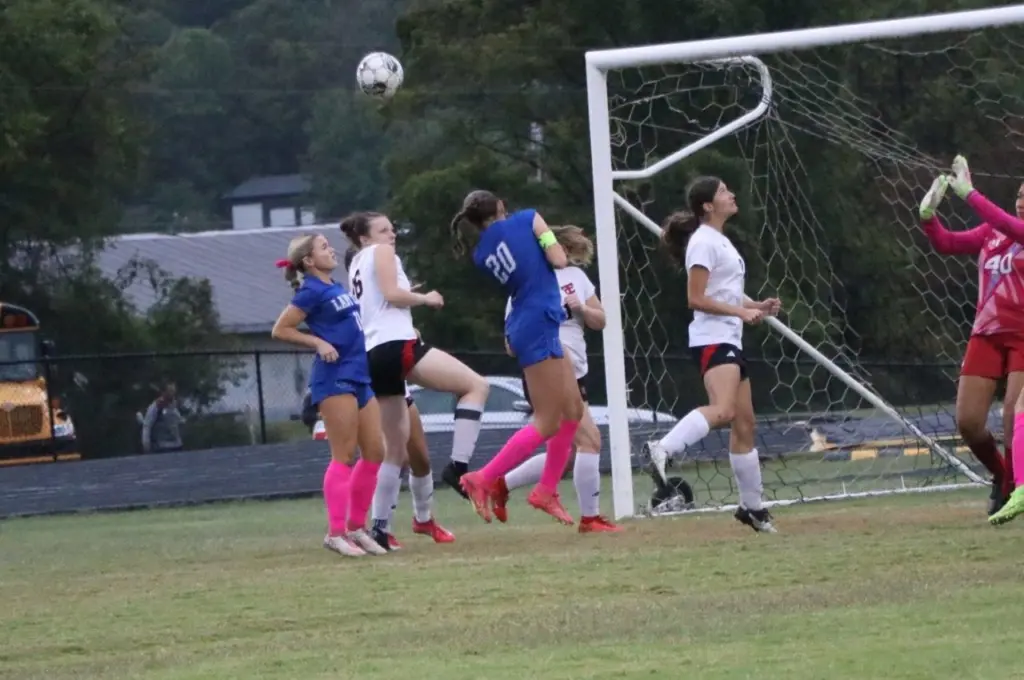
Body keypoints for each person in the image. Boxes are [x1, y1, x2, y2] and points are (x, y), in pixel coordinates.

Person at [341, 211, 489, 543]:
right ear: (365, 238)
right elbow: (392, 295)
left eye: (392, 229)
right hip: (395, 345)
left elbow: (379, 302)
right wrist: (425, 298)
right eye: (383, 230)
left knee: (395, 448)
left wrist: (405, 296)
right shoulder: (381, 252)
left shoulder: (356, 264)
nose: (391, 234)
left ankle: (380, 528)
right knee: (476, 386)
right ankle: (459, 466)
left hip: (373, 352)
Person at [645, 176, 781, 534]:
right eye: (723, 191)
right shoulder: (703, 242)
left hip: (728, 338)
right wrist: (740, 312)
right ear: (707, 205)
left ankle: (752, 509)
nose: (731, 194)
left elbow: (726, 292)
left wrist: (757, 306)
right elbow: (696, 298)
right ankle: (663, 448)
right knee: (723, 410)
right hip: (712, 339)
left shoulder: (719, 240)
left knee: (745, 423)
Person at [451, 190, 584, 525]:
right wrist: (550, 237)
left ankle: (546, 490)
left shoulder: (481, 253)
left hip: (531, 320)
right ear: (500, 206)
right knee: (547, 421)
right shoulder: (527, 218)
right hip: (538, 320)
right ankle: (483, 478)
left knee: (573, 410)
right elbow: (559, 260)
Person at [491, 225, 621, 533]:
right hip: (548, 370)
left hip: (576, 372)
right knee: (590, 440)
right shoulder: (524, 287)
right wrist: (540, 328)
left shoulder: (576, 278)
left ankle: (501, 484)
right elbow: (511, 345)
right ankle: (589, 519)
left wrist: (582, 308)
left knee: (568, 453)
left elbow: (600, 320)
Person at [271, 232, 387, 557]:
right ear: (309, 260)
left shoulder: (335, 287)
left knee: (375, 452)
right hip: (334, 378)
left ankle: (356, 528)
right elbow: (280, 329)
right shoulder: (310, 290)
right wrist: (318, 342)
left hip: (359, 375)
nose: (331, 249)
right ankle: (335, 534)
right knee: (344, 455)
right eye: (324, 247)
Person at [934, 155, 1024, 523]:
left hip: (1023, 336)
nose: (1022, 201)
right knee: (969, 422)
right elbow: (946, 243)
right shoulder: (992, 233)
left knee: (1013, 417)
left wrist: (969, 193)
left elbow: (1005, 222)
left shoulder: (1012, 228)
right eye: (1020, 195)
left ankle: (1017, 490)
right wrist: (928, 216)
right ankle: (1002, 477)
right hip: (985, 333)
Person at [141, 382, 184, 454]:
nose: (172, 393)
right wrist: (146, 443)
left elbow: (178, 422)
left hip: (177, 445)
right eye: (170, 391)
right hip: (162, 446)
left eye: (173, 391)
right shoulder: (157, 406)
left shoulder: (174, 406)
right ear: (164, 392)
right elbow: (147, 425)